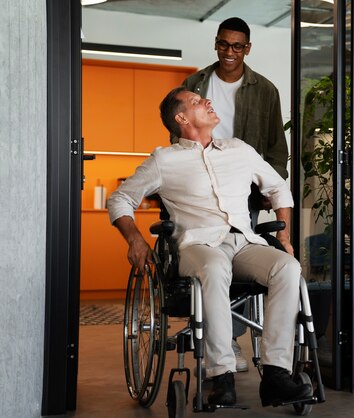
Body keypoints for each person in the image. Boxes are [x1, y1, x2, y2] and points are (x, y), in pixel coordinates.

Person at [107, 86, 312, 407]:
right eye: (196, 101)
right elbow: (120, 198)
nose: (207, 102)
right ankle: (221, 376)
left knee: (287, 267)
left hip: (243, 241)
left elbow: (277, 187)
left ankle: (276, 375)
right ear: (182, 117)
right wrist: (134, 238)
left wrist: (284, 238)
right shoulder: (164, 159)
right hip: (195, 245)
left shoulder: (239, 150)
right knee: (215, 266)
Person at [177, 16, 290, 371]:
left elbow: (276, 148)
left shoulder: (265, 90)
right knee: (215, 265)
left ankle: (234, 340)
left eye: (237, 46)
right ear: (216, 43)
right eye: (224, 44)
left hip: (244, 193)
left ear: (248, 48)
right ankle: (222, 344)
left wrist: (268, 191)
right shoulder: (195, 82)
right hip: (200, 190)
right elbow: (178, 135)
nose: (230, 52)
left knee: (240, 269)